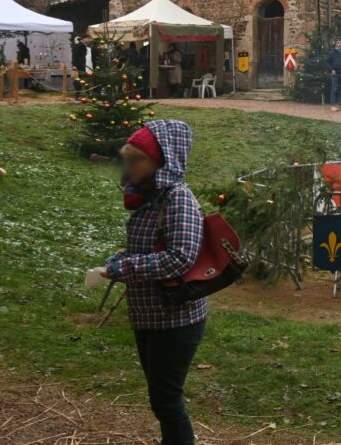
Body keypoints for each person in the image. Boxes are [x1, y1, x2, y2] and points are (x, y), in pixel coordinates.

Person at [102, 120, 207, 445]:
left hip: (176, 318)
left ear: (161, 161)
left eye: (137, 160)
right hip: (149, 314)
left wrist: (128, 267)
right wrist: (122, 259)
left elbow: (181, 257)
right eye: (127, 159)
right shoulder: (150, 198)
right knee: (161, 398)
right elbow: (153, 247)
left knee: (166, 400)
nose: (129, 167)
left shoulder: (178, 199)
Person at [325, 39, 341, 112]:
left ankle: (340, 105)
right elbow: (327, 62)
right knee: (334, 89)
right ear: (335, 44)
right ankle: (332, 105)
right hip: (335, 74)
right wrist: (331, 69)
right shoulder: (332, 53)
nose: (339, 44)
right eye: (338, 43)